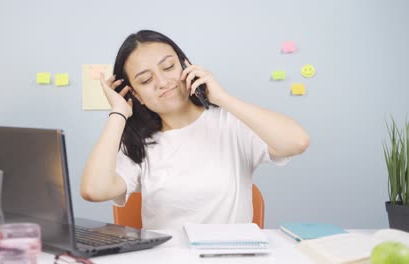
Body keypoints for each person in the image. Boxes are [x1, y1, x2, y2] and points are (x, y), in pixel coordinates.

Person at [80, 30, 309, 230]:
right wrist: (118, 112)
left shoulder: (230, 122)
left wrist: (221, 97)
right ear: (136, 95)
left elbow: (297, 142)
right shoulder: (138, 144)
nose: (162, 82)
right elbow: (94, 190)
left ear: (186, 66)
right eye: (146, 79)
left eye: (168, 67)